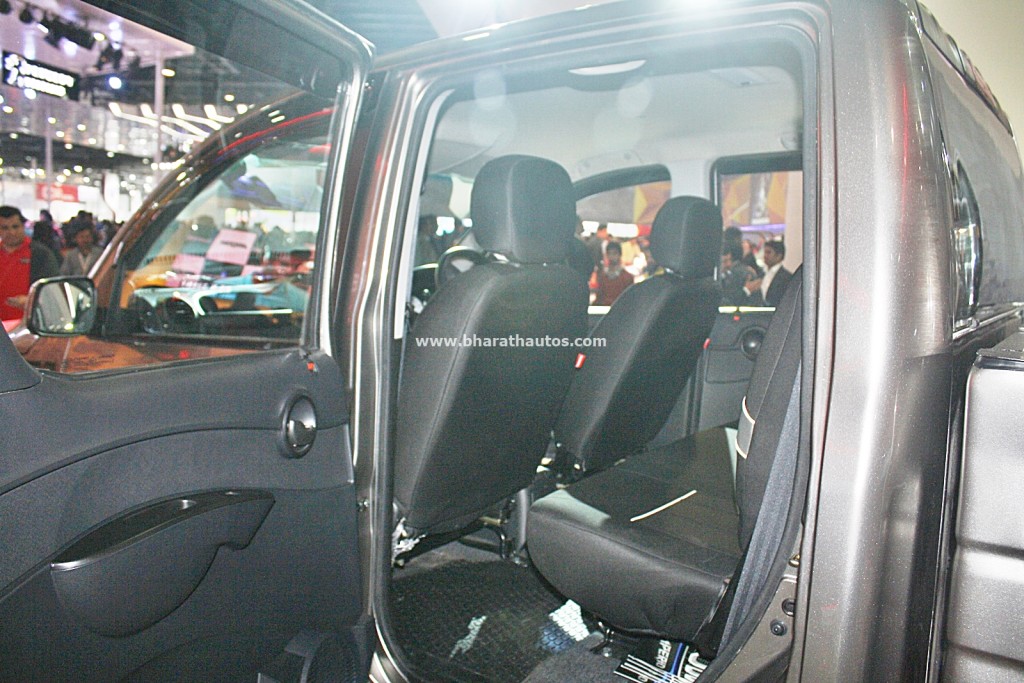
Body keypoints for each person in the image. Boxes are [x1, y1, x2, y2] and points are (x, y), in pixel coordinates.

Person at [0, 206, 59, 320]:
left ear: (23, 226)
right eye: (5, 228)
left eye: (15, 226)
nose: (11, 232)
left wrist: (32, 300)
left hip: (29, 323)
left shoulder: (41, 254)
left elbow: (53, 290)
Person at [593, 241, 634, 306]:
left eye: (614, 253)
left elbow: (630, 300)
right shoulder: (602, 277)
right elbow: (599, 298)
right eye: (609, 253)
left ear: (620, 255)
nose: (611, 256)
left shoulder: (627, 277)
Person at [758, 239, 792, 307]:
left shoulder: (787, 277)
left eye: (769, 252)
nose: (765, 256)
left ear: (779, 256)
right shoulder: (760, 273)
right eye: (765, 252)